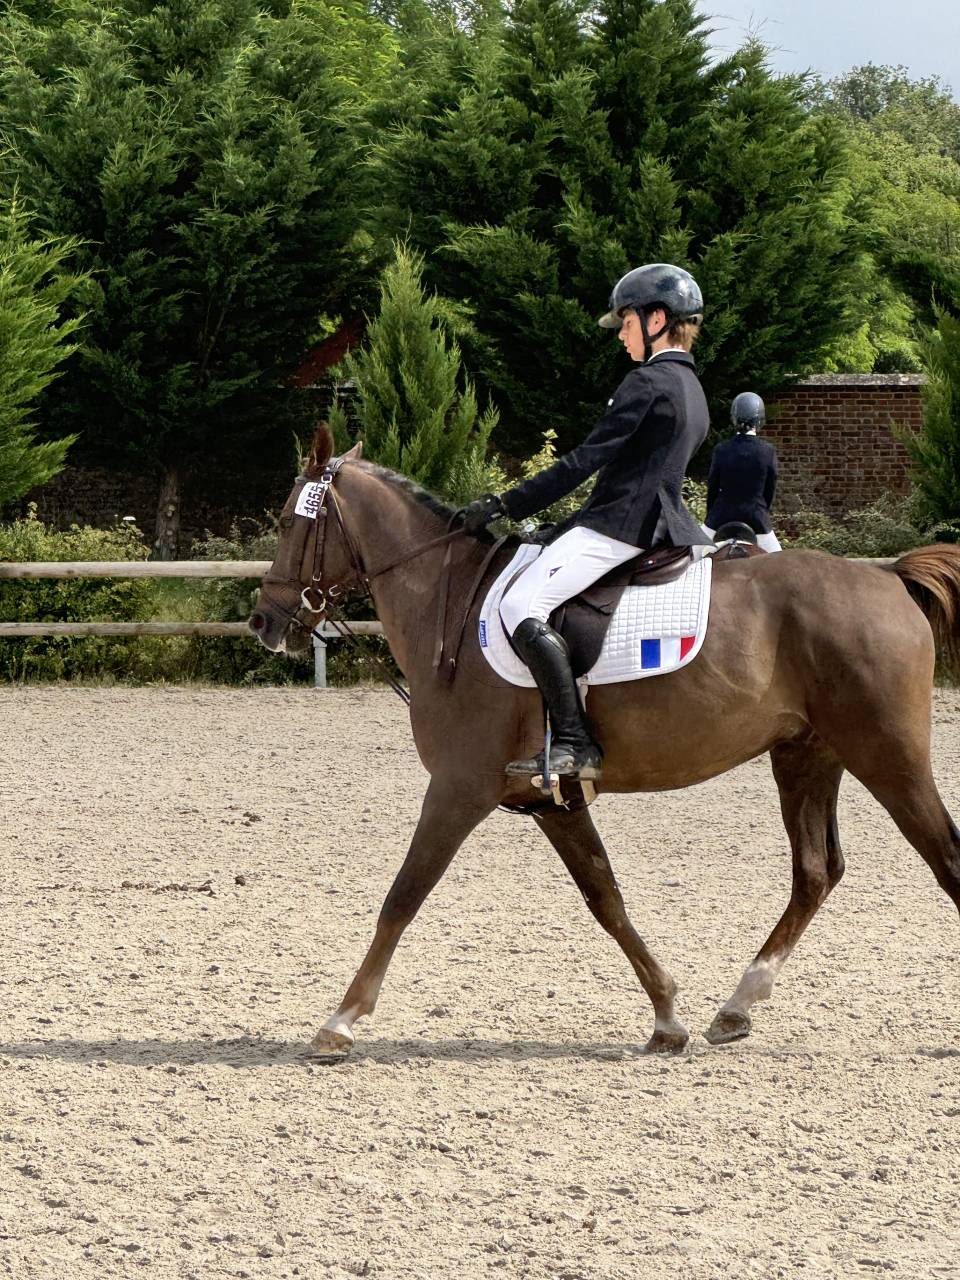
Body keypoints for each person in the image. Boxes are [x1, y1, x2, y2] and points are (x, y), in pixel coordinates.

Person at [458, 262, 712, 781]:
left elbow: (585, 461)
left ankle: (575, 741)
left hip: (623, 527)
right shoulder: (691, 388)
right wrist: (564, 525)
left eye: (627, 322)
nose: (621, 334)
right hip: (655, 522)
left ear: (657, 319)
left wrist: (506, 504)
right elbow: (631, 474)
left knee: (519, 604)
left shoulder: (647, 382)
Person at [703, 393, 782, 552]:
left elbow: (712, 488)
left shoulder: (721, 449)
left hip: (720, 516)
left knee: (691, 557)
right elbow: (769, 490)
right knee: (780, 562)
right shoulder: (768, 451)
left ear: (734, 419)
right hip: (757, 518)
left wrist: (711, 514)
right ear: (759, 420)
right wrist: (762, 511)